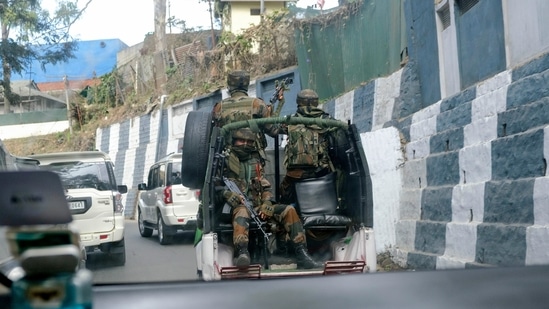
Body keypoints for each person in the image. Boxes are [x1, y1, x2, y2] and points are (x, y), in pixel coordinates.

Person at [217, 128, 322, 269]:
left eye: (249, 142)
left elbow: (265, 188)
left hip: (257, 205)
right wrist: (227, 194)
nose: (245, 144)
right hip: (236, 207)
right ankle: (243, 252)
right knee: (242, 211)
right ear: (234, 141)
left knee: (289, 210)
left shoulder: (255, 162)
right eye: (241, 140)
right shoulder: (222, 162)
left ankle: (302, 253)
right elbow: (213, 189)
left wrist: (267, 202)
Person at [278, 89, 341, 204]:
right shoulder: (327, 120)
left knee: (283, 193)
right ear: (316, 103)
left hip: (296, 174)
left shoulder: (291, 121)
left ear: (298, 102)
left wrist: (280, 103)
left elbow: (272, 128)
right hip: (321, 171)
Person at [212, 70, 278, 160]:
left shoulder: (219, 107)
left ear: (229, 85)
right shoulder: (258, 104)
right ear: (247, 85)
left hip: (228, 161)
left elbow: (213, 136)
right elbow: (273, 131)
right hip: (254, 160)